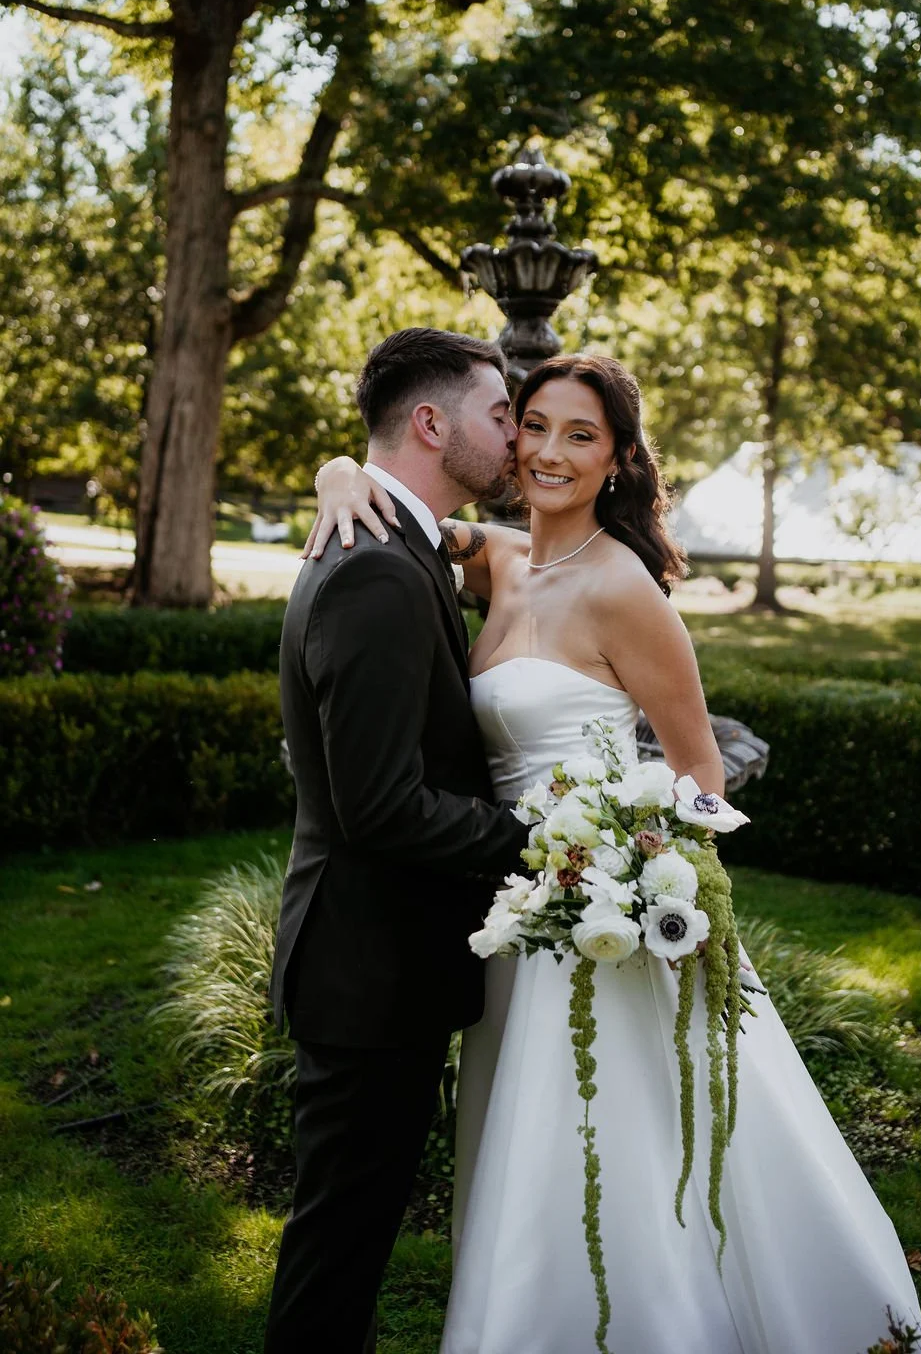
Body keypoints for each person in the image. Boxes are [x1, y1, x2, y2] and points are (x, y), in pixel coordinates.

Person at [307, 351, 921, 1354]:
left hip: (605, 919)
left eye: (579, 435)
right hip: (513, 917)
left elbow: (701, 783)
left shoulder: (624, 588)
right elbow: (394, 498)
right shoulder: (501, 558)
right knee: (527, 1151)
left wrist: (631, 871)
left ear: (617, 461)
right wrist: (338, 471)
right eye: (534, 424)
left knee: (619, 1146)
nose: (548, 449)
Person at [263, 327, 530, 1354]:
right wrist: (534, 844)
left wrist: (335, 467)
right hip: (365, 969)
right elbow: (379, 803)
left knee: (347, 1239)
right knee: (338, 1253)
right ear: (432, 423)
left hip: (376, 961)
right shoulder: (376, 566)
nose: (511, 437)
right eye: (499, 413)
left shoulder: (400, 538)